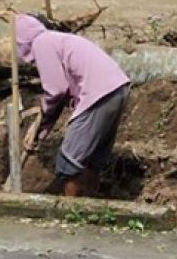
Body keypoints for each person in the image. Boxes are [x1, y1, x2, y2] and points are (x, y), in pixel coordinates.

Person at [16, 14, 130, 197]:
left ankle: (70, 208)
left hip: (98, 93)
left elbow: (55, 90)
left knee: (69, 161)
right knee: (92, 159)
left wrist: (41, 121)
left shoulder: (41, 43)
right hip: (118, 89)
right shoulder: (56, 40)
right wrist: (40, 131)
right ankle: (90, 204)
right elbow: (60, 96)